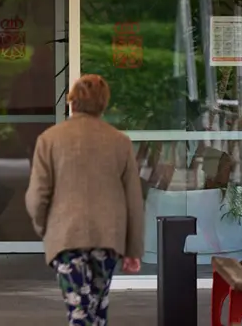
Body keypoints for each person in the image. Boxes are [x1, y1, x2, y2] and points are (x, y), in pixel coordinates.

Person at [25, 74, 144, 325]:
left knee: (79, 310)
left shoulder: (50, 139)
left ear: (72, 101)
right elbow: (133, 198)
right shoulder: (120, 142)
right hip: (108, 237)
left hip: (66, 237)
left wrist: (43, 226)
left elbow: (38, 194)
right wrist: (133, 248)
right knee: (98, 309)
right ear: (103, 103)